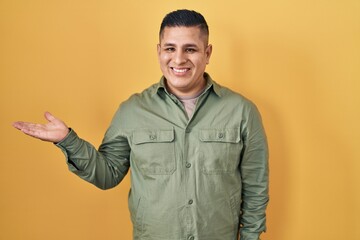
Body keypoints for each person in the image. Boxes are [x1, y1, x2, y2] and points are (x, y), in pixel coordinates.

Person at [13, 9, 269, 240]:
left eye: (190, 49)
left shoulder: (242, 111)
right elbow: (108, 174)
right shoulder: (132, 111)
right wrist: (67, 139)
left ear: (207, 53)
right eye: (170, 48)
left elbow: (256, 187)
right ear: (159, 51)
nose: (179, 59)